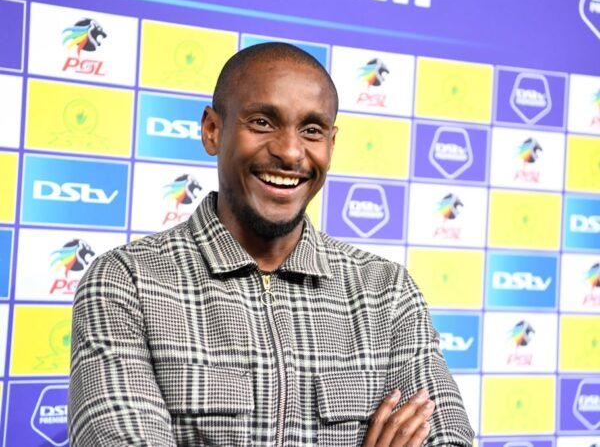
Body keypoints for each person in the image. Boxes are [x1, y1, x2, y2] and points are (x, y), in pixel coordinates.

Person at [69, 42, 474, 446]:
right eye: (263, 122)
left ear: (331, 144)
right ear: (212, 130)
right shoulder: (127, 282)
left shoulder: (386, 291)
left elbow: (449, 438)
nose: (290, 151)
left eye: (312, 130)